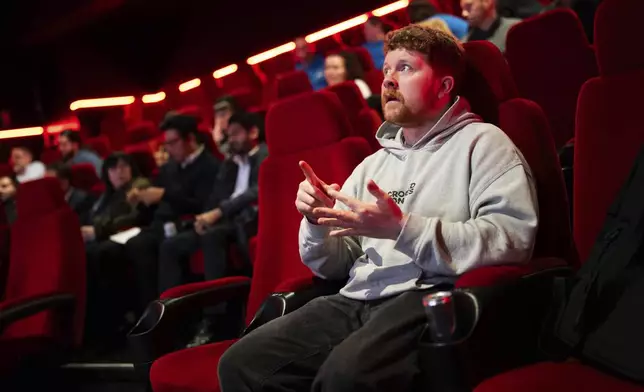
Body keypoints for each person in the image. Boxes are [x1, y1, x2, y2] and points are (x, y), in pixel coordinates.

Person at [218, 25, 538, 392]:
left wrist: (403, 229)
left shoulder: (483, 144)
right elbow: (336, 264)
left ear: (444, 85)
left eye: (405, 68)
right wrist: (317, 221)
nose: (388, 80)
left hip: (429, 295)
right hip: (354, 299)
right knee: (242, 365)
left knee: (343, 378)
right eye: (386, 70)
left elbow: (511, 239)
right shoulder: (373, 165)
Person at [157, 111, 268, 345]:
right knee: (171, 245)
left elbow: (256, 191)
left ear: (253, 132)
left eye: (235, 134)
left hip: (247, 220)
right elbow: (215, 195)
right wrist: (202, 217)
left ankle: (214, 319)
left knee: (212, 237)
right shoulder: (229, 163)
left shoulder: (264, 155)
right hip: (223, 220)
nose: (230, 139)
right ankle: (173, 318)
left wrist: (218, 213)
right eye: (228, 135)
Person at [125, 114, 220, 313]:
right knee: (130, 245)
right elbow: (158, 200)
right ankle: (144, 312)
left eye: (173, 142)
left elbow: (203, 205)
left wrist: (164, 195)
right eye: (165, 143)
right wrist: (142, 197)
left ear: (190, 139)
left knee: (155, 246)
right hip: (162, 223)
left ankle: (167, 314)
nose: (168, 148)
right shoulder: (169, 168)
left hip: (190, 224)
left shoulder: (210, 165)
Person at [82, 152, 152, 348]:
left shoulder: (140, 186)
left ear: (132, 168)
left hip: (135, 237)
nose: (119, 172)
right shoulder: (106, 196)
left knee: (100, 254)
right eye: (113, 168)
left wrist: (98, 230)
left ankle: (118, 320)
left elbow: (134, 217)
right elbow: (96, 219)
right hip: (111, 239)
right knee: (88, 255)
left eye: (123, 167)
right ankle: (103, 326)